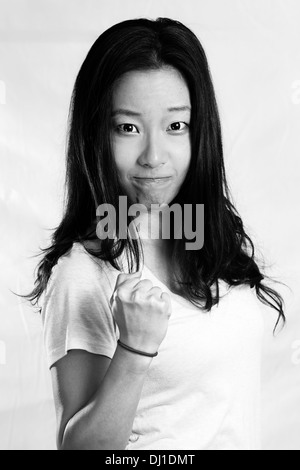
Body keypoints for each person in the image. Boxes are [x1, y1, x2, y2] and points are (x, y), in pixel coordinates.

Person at [20, 17, 285, 450]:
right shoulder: (82, 273)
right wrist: (135, 350)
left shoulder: (200, 234)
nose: (154, 156)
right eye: (128, 127)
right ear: (95, 136)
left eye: (175, 126)